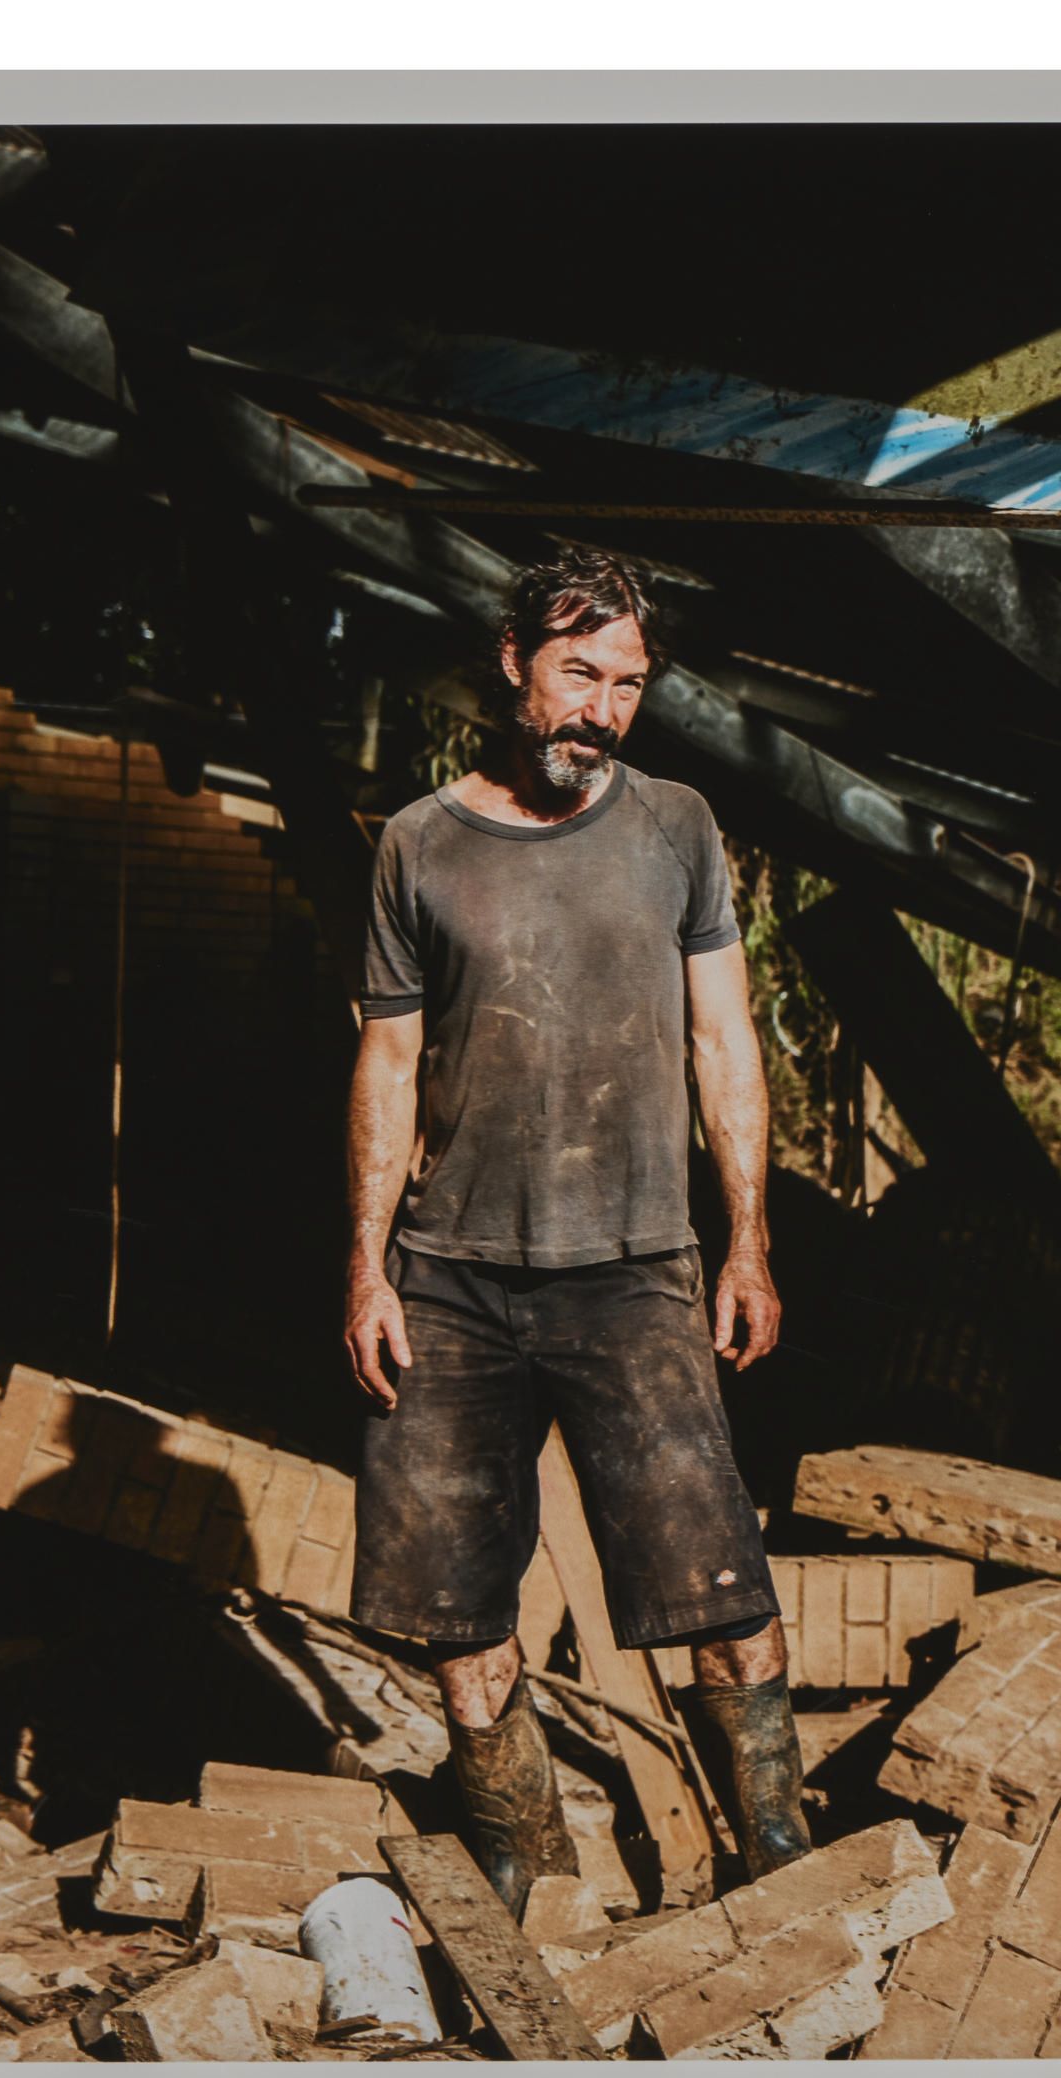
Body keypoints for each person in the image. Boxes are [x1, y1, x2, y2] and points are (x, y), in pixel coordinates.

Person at [340, 545, 809, 1917]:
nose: (602, 707)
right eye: (578, 673)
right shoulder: (418, 844)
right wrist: (369, 1265)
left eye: (627, 682)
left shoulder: (677, 828)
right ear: (512, 665)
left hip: (636, 1275)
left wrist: (750, 1239)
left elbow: (727, 1039)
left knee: (718, 1584)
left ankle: (772, 1851)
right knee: (455, 1613)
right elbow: (383, 1067)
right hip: (453, 1283)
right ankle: (520, 1861)